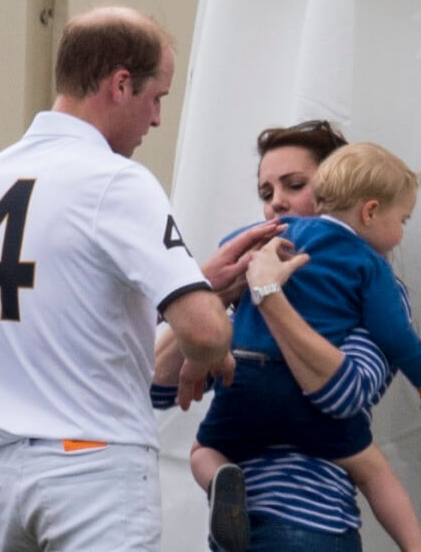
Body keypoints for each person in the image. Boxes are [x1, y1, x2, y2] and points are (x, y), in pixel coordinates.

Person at [0, 5, 236, 552]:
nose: (156, 120)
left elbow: (61, 303)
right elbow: (203, 332)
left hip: (6, 479)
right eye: (158, 98)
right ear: (121, 84)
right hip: (94, 469)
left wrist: (197, 280)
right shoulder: (116, 180)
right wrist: (210, 338)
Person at [153, 121, 421, 551]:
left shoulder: (381, 290)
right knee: (374, 469)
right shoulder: (248, 269)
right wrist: (212, 296)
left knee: (207, 451)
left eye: (295, 185)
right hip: (234, 535)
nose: (276, 203)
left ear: (337, 189)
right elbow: (157, 389)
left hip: (308, 523)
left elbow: (346, 395)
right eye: (265, 193)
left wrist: (269, 295)